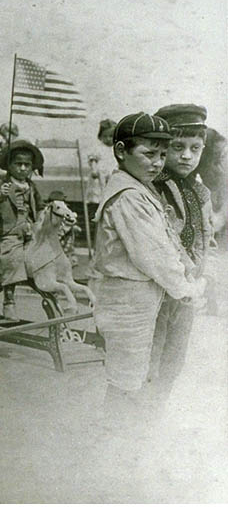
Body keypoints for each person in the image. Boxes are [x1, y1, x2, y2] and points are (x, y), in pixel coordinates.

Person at [91, 112, 205, 427]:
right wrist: (185, 290)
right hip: (128, 298)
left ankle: (125, 434)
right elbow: (154, 254)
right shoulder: (128, 197)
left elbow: (167, 243)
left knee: (137, 370)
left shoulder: (141, 189)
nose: (157, 163)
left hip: (141, 295)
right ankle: (116, 438)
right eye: (149, 154)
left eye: (162, 155)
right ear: (121, 152)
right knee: (128, 374)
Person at [148, 104, 216, 404]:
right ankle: (137, 420)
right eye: (178, 147)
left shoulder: (200, 192)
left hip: (188, 292)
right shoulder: (154, 188)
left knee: (174, 360)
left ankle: (156, 412)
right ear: (163, 147)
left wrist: (204, 274)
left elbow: (207, 238)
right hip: (160, 290)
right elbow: (163, 241)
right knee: (151, 358)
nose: (187, 156)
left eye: (195, 148)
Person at [0, 139, 45, 319]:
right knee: (13, 258)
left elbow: (40, 207)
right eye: (18, 164)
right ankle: (8, 301)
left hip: (29, 231)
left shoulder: (31, 187)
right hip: (8, 233)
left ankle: (50, 291)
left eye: (27, 165)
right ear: (9, 166)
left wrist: (40, 222)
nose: (23, 168)